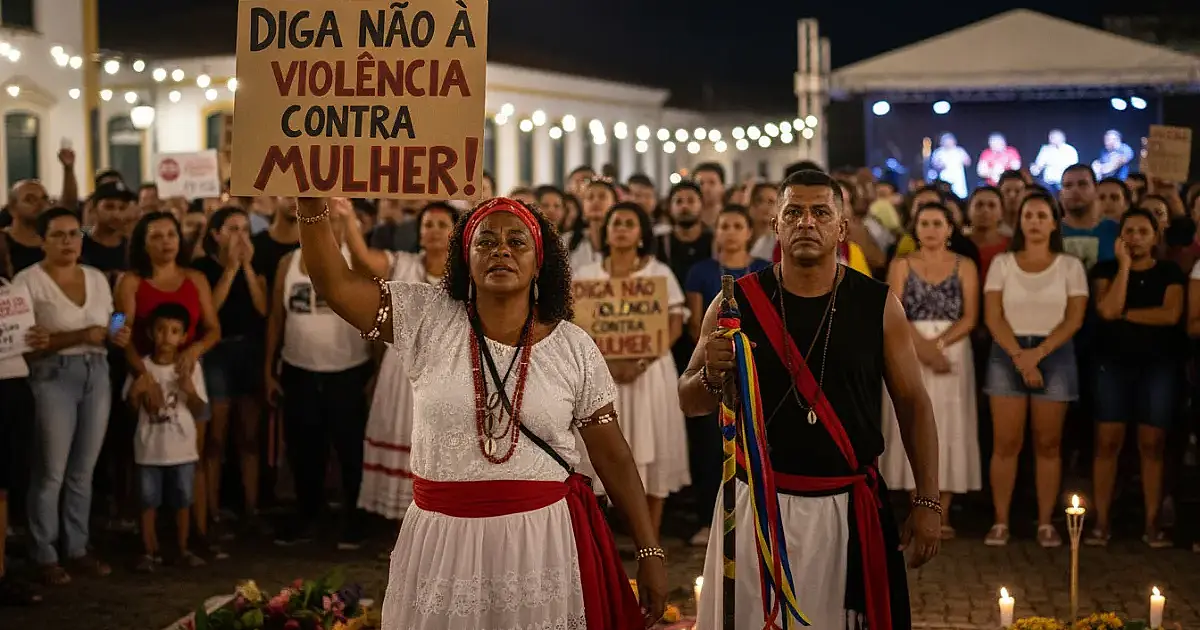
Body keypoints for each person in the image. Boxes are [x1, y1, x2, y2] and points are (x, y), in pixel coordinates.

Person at [294, 195, 666, 629]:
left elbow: (613, 456)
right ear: (464, 258)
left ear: (539, 260)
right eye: (485, 242)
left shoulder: (573, 347)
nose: (501, 250)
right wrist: (310, 204)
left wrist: (649, 550)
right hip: (443, 540)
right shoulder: (426, 317)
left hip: (539, 542)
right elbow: (335, 285)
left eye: (516, 242)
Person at [680, 169, 940, 629]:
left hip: (845, 509)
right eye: (793, 213)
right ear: (775, 225)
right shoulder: (733, 302)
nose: (806, 223)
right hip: (756, 506)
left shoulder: (878, 304)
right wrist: (712, 371)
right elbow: (690, 400)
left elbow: (914, 405)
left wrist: (927, 502)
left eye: (820, 212)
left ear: (842, 227)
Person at [16, 207, 132, 585]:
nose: (68, 242)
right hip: (52, 376)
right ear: (42, 240)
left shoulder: (97, 277)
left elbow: (113, 316)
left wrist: (118, 332)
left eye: (73, 234)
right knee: (51, 470)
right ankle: (44, 551)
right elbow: (28, 346)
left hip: (96, 373)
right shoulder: (27, 282)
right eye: (59, 235)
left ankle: (77, 546)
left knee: (84, 469)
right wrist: (80, 336)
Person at [576, 202, 691, 538]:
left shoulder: (659, 273)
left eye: (629, 222)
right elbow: (576, 327)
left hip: (650, 374)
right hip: (598, 377)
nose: (622, 228)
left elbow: (675, 322)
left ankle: (650, 538)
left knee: (653, 452)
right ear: (606, 230)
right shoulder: (587, 275)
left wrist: (640, 361)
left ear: (642, 233)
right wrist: (607, 364)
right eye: (615, 222)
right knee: (597, 453)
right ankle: (601, 543)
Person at [982, 192, 1088, 547]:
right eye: (1029, 215)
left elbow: (1074, 318)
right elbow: (993, 315)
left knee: (1048, 443)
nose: (1035, 221)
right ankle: (1000, 521)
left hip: (1054, 352)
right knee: (1006, 442)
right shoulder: (1003, 263)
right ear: (1020, 221)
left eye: (1043, 215)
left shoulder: (1070, 266)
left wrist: (1037, 354)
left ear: (1054, 222)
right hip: (1007, 350)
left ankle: (1045, 522)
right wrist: (1019, 356)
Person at [115, 211, 223, 556]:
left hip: (187, 376)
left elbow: (213, 328)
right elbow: (119, 326)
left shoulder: (195, 278)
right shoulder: (130, 281)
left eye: (171, 235)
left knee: (194, 453)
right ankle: (148, 538)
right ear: (142, 243)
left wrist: (195, 349)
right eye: (156, 236)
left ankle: (197, 531)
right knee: (147, 453)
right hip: (146, 374)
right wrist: (141, 375)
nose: (166, 242)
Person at [349, 201, 457, 524]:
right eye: (428, 225)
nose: (435, 231)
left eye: (442, 225)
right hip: (401, 374)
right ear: (419, 233)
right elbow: (362, 260)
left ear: (455, 233)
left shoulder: (466, 275)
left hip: (448, 374)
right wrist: (344, 218)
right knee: (402, 437)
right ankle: (400, 525)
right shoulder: (402, 265)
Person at [881, 202, 981, 538]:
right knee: (911, 418)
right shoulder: (901, 264)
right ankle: (916, 506)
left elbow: (970, 316)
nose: (931, 229)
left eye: (938, 223)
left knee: (951, 424)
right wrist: (922, 348)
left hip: (953, 349)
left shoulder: (965, 265)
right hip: (908, 344)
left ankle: (944, 512)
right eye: (924, 223)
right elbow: (892, 310)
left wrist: (939, 346)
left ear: (950, 229)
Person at [1088, 209, 1184, 548]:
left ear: (1156, 237)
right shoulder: (1105, 271)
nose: (1135, 237)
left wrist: (1127, 315)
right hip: (1112, 366)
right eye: (1129, 231)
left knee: (1152, 445)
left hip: (1157, 368)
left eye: (1144, 231)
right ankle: (1100, 522)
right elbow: (1107, 310)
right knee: (1107, 444)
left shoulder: (1170, 272)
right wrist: (1125, 267)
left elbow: (1170, 315)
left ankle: (1153, 523)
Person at [191, 207, 269, 534]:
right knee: (216, 438)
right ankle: (212, 512)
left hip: (249, 350)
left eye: (244, 229)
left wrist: (247, 268)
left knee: (249, 437)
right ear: (215, 234)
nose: (240, 236)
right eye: (232, 229)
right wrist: (230, 269)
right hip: (216, 354)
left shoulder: (258, 264)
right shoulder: (202, 268)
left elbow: (263, 307)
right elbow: (212, 309)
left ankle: (251, 509)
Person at [127, 302, 209, 571]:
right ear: (151, 333)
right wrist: (136, 392)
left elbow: (200, 408)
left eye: (174, 331)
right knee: (147, 501)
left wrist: (189, 390)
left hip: (182, 450)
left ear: (184, 336)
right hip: (149, 449)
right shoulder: (142, 368)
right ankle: (148, 551)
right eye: (161, 330)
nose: (166, 337)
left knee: (183, 500)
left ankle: (182, 549)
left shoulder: (190, 368)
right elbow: (129, 406)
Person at [931, 133, 971, 199]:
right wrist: (940, 165)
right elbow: (934, 165)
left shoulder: (959, 151)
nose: (948, 143)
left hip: (958, 179)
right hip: (944, 178)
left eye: (950, 141)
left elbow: (968, 162)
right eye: (946, 141)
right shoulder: (938, 152)